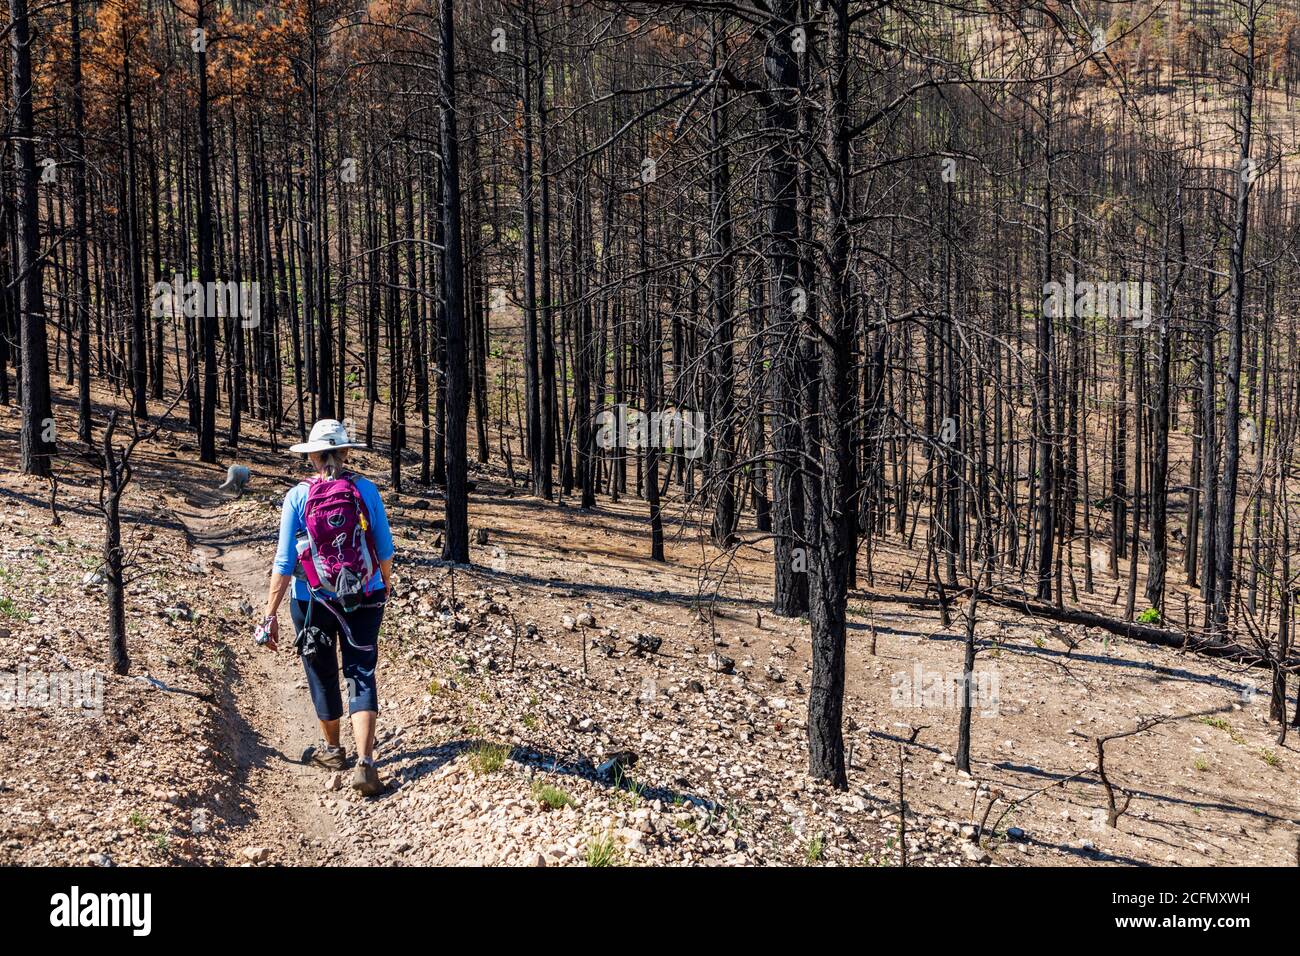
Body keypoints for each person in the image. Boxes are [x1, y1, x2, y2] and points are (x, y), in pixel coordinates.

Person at [258, 419, 395, 796]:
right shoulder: (365, 489)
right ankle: (366, 764)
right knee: (361, 671)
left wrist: (269, 615)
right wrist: (381, 585)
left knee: (321, 671)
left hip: (312, 600)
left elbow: (284, 562)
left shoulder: (297, 497)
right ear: (346, 453)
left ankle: (334, 751)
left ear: (313, 458)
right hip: (364, 597)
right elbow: (384, 550)